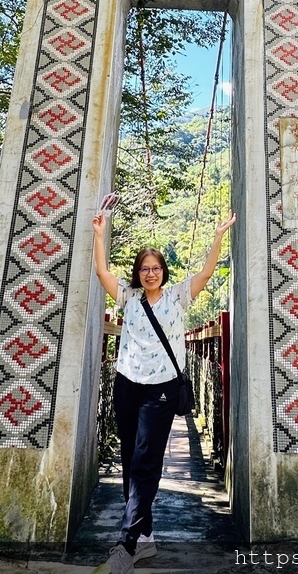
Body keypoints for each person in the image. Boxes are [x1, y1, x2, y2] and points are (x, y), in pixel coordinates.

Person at [91, 209, 236, 574]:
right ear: (138, 273)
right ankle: (145, 536)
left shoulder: (177, 296)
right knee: (130, 459)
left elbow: (205, 273)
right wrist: (99, 234)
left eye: (155, 268)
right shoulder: (128, 297)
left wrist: (218, 236)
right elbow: (102, 273)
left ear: (164, 271)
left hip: (161, 390)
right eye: (144, 268)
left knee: (146, 460)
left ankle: (125, 543)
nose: (150, 273)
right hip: (127, 385)